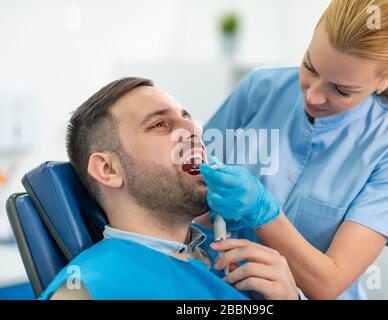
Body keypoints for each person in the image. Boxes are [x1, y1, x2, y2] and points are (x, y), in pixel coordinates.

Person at [198, 0, 388, 299]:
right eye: (310, 67)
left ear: (387, 79)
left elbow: (328, 283)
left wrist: (262, 211)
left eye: (342, 90)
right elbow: (191, 181)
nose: (314, 96)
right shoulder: (260, 87)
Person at [39, 77, 299, 300]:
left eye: (187, 118)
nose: (194, 130)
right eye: (160, 124)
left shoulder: (239, 262)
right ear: (109, 169)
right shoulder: (89, 288)